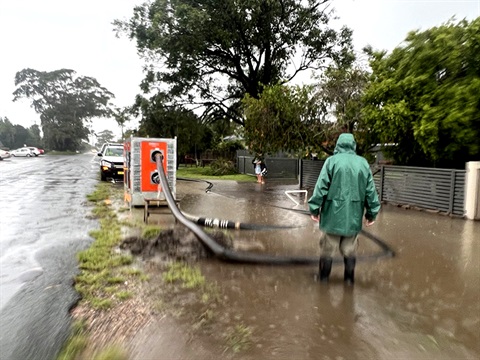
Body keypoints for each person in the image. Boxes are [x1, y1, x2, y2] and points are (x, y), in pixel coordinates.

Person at [308, 133, 381, 285]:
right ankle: (349, 281)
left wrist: (314, 209)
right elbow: (370, 192)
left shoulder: (331, 162)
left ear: (338, 144)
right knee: (350, 249)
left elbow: (320, 188)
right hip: (353, 217)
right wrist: (371, 214)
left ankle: (323, 279)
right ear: (353, 145)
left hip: (332, 217)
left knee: (327, 250)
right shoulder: (363, 163)